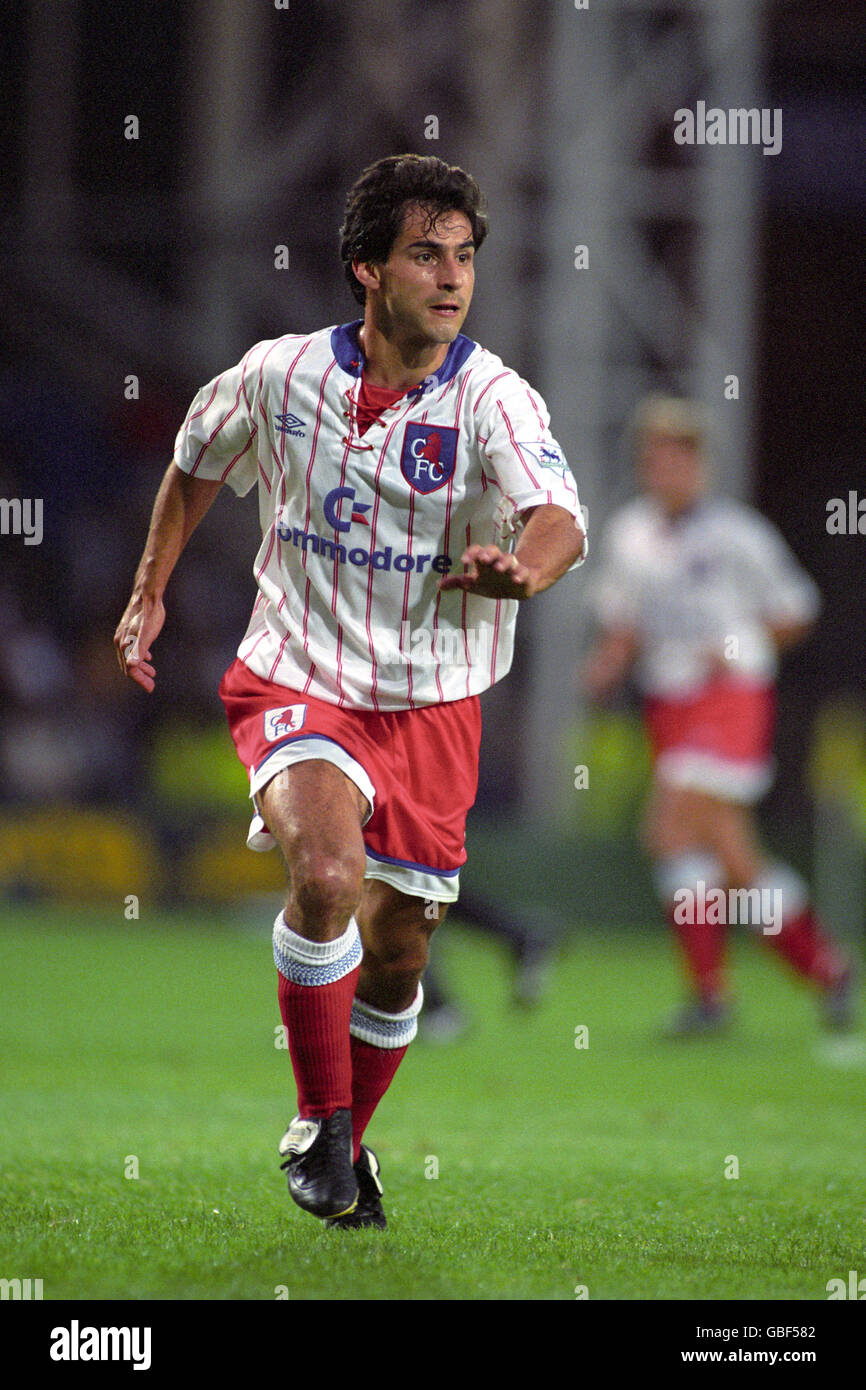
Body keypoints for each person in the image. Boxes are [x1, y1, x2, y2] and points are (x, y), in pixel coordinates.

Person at [114, 154, 587, 1228]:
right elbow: (195, 459)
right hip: (298, 671)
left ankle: (344, 1140)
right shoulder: (279, 377)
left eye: (463, 256)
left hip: (432, 699)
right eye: (426, 253)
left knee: (402, 945)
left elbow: (558, 514)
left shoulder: (493, 397)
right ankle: (319, 1121)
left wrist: (525, 567)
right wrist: (149, 590)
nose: (451, 276)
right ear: (366, 268)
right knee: (325, 874)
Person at [582, 394, 855, 1037]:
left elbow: (794, 610)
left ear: (699, 463)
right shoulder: (631, 535)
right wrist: (607, 662)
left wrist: (730, 648)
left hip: (730, 699)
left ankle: (715, 994)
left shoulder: (738, 534)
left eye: (677, 456)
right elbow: (624, 623)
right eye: (654, 456)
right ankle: (820, 971)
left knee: (669, 828)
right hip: (667, 706)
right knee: (728, 855)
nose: (664, 468)